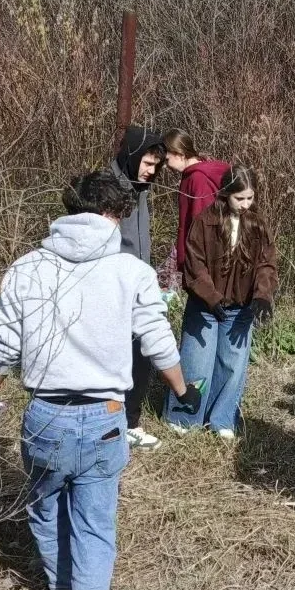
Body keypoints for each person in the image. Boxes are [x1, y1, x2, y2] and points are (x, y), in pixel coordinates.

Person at [0, 170, 202, 590]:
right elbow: (157, 339)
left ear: (70, 209)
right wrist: (184, 391)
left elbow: (3, 350)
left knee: (45, 507)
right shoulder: (131, 272)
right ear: (115, 215)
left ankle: (62, 587)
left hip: (45, 416)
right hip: (107, 419)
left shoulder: (27, 267)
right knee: (95, 528)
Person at [163, 163, 278, 440]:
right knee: (197, 362)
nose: (245, 204)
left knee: (233, 364)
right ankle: (184, 417)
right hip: (205, 306)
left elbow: (267, 264)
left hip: (240, 307)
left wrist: (263, 295)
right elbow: (195, 265)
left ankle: (221, 418)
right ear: (226, 193)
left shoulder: (257, 224)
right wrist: (211, 297)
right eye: (240, 198)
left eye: (250, 198)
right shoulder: (205, 221)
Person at [111, 123, 167, 450]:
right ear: (132, 156)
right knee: (125, 355)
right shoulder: (112, 189)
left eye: (156, 165)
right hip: (117, 287)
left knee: (140, 353)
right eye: (147, 163)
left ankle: (128, 421)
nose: (151, 171)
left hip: (138, 284)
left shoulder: (138, 187)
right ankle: (123, 424)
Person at [163, 129, 229, 270]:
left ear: (180, 154)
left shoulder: (198, 178)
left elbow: (203, 226)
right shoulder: (192, 175)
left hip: (202, 261)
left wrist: (197, 266)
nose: (165, 166)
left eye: (167, 160)